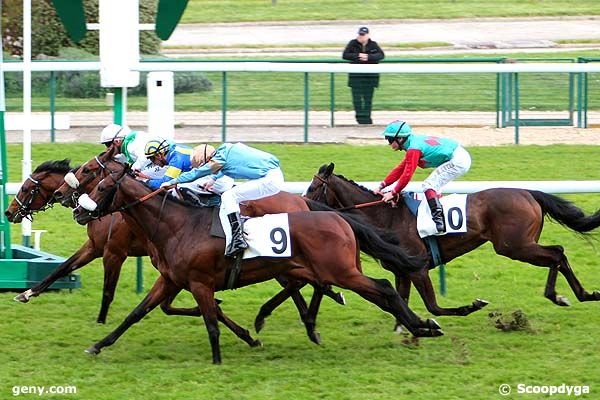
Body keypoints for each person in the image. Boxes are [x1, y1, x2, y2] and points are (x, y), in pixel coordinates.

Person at [161, 142, 283, 257]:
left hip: (269, 180)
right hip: (270, 174)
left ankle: (237, 239)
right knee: (228, 198)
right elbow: (224, 166)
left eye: (203, 165)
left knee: (229, 196)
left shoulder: (218, 159)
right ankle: (235, 237)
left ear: (206, 161)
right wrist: (213, 179)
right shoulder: (224, 151)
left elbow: (195, 174)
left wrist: (172, 182)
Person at [373, 120, 472, 234]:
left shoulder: (413, 149)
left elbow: (407, 175)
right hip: (458, 156)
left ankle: (439, 223)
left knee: (428, 185)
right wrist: (381, 186)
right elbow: (400, 169)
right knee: (434, 187)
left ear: (400, 139)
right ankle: (439, 216)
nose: (389, 143)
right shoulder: (412, 144)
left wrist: (393, 192)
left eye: (389, 139)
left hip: (458, 160)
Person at [342, 26, 385, 125]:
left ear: (368, 35)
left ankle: (367, 119)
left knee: (368, 99)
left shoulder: (373, 44)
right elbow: (345, 55)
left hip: (370, 78)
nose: (361, 36)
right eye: (360, 34)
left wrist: (368, 57)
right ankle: (360, 119)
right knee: (356, 99)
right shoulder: (352, 43)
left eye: (363, 35)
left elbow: (381, 55)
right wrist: (358, 56)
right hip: (355, 78)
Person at [99, 123, 168, 179]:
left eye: (107, 144)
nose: (107, 149)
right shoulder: (128, 144)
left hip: (168, 160)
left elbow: (143, 158)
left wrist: (131, 170)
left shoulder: (131, 145)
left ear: (117, 141)